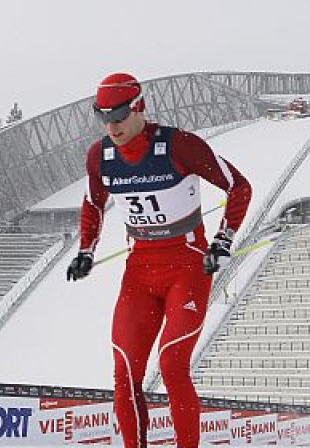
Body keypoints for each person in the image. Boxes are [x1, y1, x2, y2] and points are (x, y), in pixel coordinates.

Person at [66, 73, 251, 448]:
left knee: (171, 364)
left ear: (139, 108)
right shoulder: (100, 156)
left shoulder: (180, 145)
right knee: (124, 372)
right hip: (139, 272)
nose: (111, 126)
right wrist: (86, 250)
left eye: (118, 116)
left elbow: (238, 186)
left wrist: (222, 240)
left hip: (186, 266)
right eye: (103, 117)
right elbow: (93, 203)